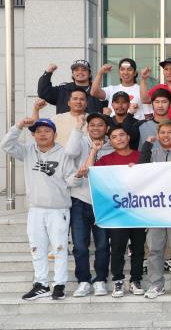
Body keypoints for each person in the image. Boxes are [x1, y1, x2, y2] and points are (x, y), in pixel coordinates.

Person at [1, 118, 82, 300]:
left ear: (55, 134)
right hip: (35, 210)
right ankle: (41, 284)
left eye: (47, 131)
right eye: (38, 131)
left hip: (58, 210)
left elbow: (71, 180)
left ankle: (59, 285)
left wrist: (78, 176)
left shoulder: (63, 154)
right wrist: (19, 126)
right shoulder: (27, 151)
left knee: (59, 248)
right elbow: (6, 145)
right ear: (33, 135)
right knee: (37, 248)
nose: (43, 134)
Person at [84, 125, 145, 297]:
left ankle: (135, 280)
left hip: (139, 211)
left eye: (122, 135)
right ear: (110, 141)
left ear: (128, 137)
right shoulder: (106, 159)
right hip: (117, 212)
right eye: (114, 137)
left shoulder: (140, 157)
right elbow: (89, 172)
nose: (119, 139)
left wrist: (138, 170)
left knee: (138, 248)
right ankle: (118, 280)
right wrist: (94, 151)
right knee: (117, 248)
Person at [139, 120, 171, 299]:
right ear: (157, 135)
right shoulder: (151, 154)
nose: (166, 136)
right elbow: (140, 172)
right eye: (162, 132)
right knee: (154, 250)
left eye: (170, 132)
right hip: (155, 209)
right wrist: (146, 146)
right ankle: (156, 285)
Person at [64, 112, 114, 297]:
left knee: (102, 245)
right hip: (79, 200)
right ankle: (83, 281)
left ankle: (100, 280)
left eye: (100, 125)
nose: (95, 128)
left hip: (102, 203)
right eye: (92, 125)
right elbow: (69, 153)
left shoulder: (112, 146)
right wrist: (78, 127)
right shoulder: (80, 141)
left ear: (107, 128)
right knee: (79, 245)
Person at [38, 60, 105, 114]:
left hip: (90, 126)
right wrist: (48, 72)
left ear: (89, 74)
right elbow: (43, 92)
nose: (80, 72)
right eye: (76, 70)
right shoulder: (63, 89)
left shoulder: (98, 92)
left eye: (84, 70)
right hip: (66, 126)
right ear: (72, 74)